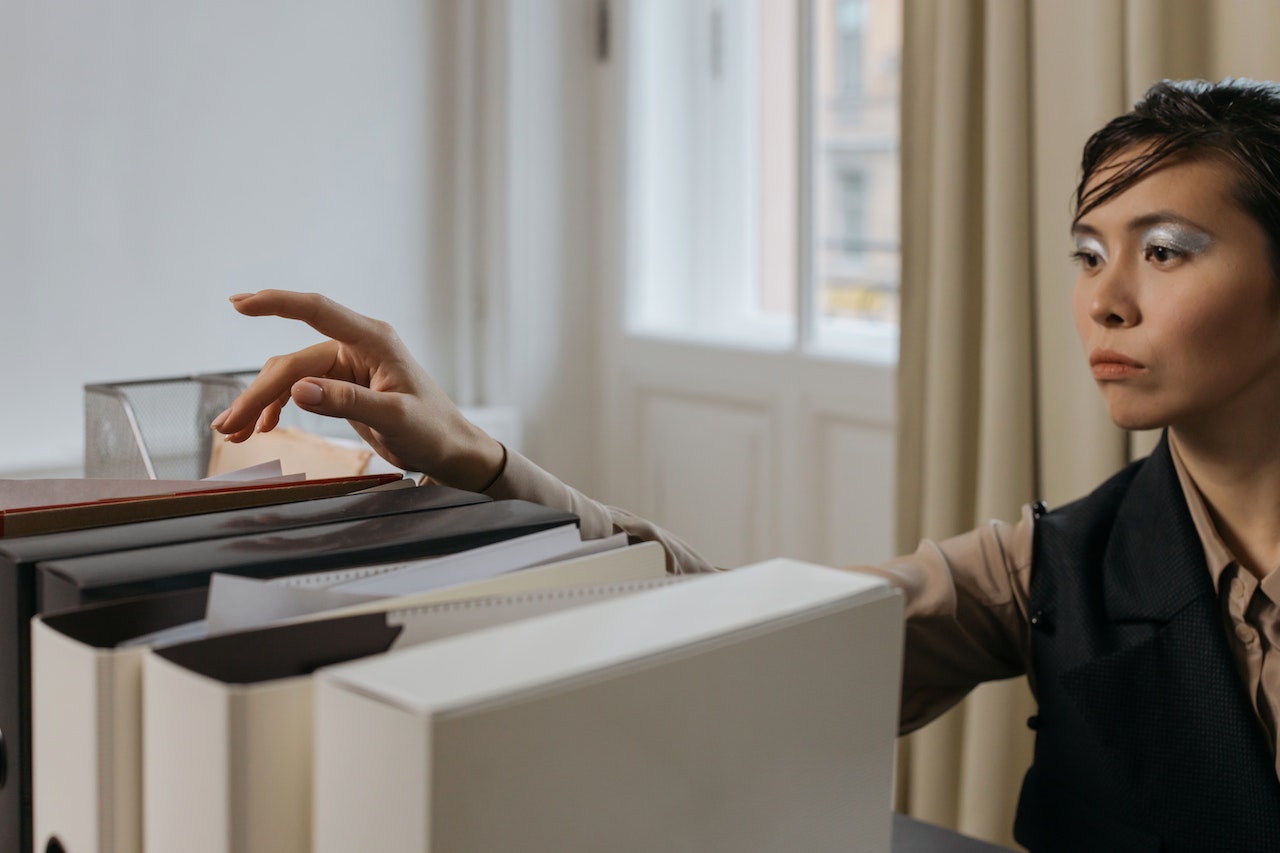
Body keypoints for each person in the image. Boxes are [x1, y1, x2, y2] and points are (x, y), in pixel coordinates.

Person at [212, 79, 1280, 851]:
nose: (1104, 298)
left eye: (1165, 250)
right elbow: (739, 633)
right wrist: (487, 466)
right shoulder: (1051, 565)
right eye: (1088, 254)